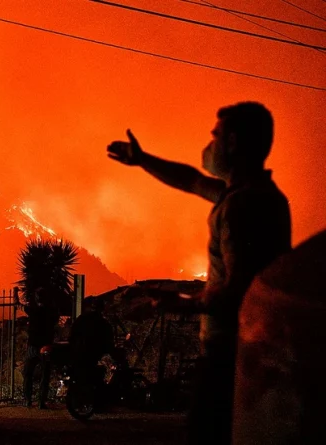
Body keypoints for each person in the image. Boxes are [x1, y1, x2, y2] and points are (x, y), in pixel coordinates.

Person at [107, 102, 292, 445]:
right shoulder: (253, 196)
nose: (208, 145)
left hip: (229, 354)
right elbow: (192, 180)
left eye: (215, 135)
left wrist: (166, 302)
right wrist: (143, 160)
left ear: (233, 142)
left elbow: (234, 290)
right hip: (248, 349)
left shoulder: (242, 207)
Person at [22, 287, 59, 409]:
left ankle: (28, 400)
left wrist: (16, 293)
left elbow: (18, 305)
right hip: (46, 345)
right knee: (45, 374)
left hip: (33, 345)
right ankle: (41, 402)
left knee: (28, 373)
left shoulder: (32, 310)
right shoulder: (52, 312)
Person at [68, 297, 114, 384]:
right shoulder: (102, 323)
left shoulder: (82, 319)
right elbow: (108, 341)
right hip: (90, 356)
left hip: (77, 354)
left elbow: (72, 335)